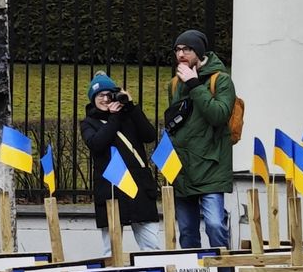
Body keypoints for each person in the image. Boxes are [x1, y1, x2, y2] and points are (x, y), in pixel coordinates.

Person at [164, 29, 237, 249]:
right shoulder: (175, 84)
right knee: (187, 232)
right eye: (177, 49)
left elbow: (218, 115)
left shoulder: (221, 80)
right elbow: (175, 121)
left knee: (214, 224)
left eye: (187, 49)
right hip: (183, 168)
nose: (181, 54)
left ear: (199, 52)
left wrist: (195, 85)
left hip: (211, 166)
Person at [79, 73, 164, 253]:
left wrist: (132, 107)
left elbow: (149, 135)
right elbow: (97, 144)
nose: (104, 99)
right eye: (99, 95)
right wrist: (114, 118)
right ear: (92, 99)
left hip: (139, 187)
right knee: (111, 251)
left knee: (151, 247)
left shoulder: (129, 115)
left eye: (108, 94)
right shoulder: (89, 122)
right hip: (111, 189)